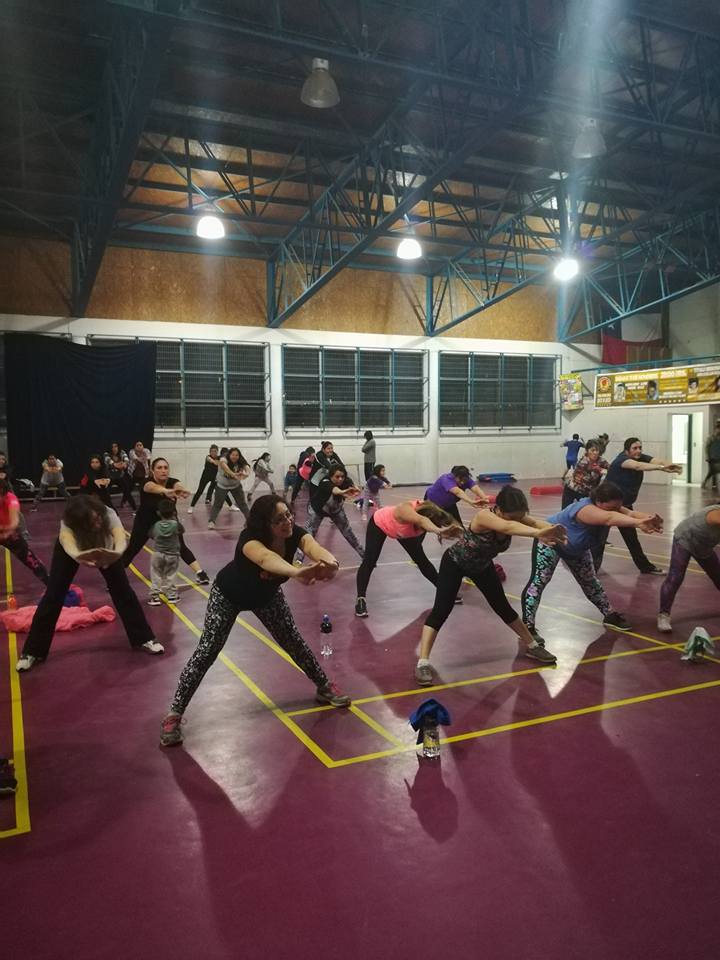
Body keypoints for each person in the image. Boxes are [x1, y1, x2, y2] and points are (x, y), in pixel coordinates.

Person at [159, 495, 352, 747]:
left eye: (288, 515)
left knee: (292, 640)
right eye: (279, 519)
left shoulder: (295, 533)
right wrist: (296, 572)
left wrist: (331, 563)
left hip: (266, 597)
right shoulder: (249, 540)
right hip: (228, 596)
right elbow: (265, 559)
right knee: (207, 650)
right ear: (264, 524)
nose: (287, 522)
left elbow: (314, 548)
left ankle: (323, 687)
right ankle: (174, 714)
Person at [414, 487, 567, 686]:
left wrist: (554, 530)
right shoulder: (484, 516)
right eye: (513, 517)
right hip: (455, 563)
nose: (517, 520)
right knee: (441, 610)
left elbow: (536, 523)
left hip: (482, 566)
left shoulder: (514, 516)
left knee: (502, 606)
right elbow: (508, 528)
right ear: (499, 509)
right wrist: (539, 534)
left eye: (519, 516)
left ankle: (532, 645)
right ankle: (423, 663)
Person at [16, 496, 163, 672]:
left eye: (98, 517)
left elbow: (120, 539)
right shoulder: (68, 524)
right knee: (53, 595)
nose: (98, 522)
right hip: (74, 550)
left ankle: (144, 638)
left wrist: (113, 555)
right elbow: (70, 547)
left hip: (106, 547)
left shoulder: (108, 514)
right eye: (93, 521)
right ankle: (32, 652)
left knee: (123, 591)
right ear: (80, 523)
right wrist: (82, 558)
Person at [520, 481, 663, 644]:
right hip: (551, 541)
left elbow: (630, 513)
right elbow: (609, 518)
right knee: (539, 582)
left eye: (618, 507)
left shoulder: (611, 508)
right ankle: (528, 627)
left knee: (590, 582)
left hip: (577, 548)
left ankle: (609, 615)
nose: (616, 510)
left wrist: (649, 519)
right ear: (598, 502)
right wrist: (638, 523)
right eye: (612, 507)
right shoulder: (585, 509)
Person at [355, 499, 461, 618]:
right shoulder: (405, 510)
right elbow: (422, 520)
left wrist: (462, 535)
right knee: (369, 561)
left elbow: (447, 520)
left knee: (422, 561)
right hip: (379, 523)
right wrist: (439, 531)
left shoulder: (430, 512)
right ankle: (360, 599)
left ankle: (444, 591)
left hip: (403, 532)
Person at [601, 437, 681, 574]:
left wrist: (671, 465)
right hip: (606, 505)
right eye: (635, 448)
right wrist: (662, 468)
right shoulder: (622, 460)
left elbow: (658, 461)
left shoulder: (639, 457)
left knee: (631, 539)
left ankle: (645, 567)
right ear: (627, 450)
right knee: (599, 539)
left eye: (640, 448)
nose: (638, 450)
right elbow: (638, 466)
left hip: (624, 506)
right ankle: (590, 569)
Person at [123, 457, 210, 584]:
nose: (163, 470)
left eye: (165, 467)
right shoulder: (147, 482)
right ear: (152, 471)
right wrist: (166, 491)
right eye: (159, 468)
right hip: (145, 522)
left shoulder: (172, 482)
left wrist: (180, 489)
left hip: (168, 521)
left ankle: (200, 573)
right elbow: (151, 487)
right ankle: (118, 577)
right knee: (133, 549)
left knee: (181, 546)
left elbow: (177, 485)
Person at [657, 504, 720, 632]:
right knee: (676, 577)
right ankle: (663, 615)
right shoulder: (715, 513)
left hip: (704, 547)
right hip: (685, 539)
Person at [299, 466, 364, 560]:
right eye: (337, 477)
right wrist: (342, 492)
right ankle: (298, 560)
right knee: (308, 534)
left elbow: (353, 486)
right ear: (331, 476)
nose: (340, 479)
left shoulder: (346, 481)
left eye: (342, 477)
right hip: (317, 510)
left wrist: (356, 489)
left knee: (348, 533)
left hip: (335, 510)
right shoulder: (325, 482)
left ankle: (365, 556)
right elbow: (334, 490)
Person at [0, 477, 48, 586]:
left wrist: (6, 533)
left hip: (10, 533)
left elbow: (14, 523)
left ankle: (50, 585)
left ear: (4, 495)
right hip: (4, 529)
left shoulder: (11, 499)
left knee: (30, 560)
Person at [148, 498, 183, 606]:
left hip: (158, 553)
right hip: (173, 555)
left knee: (156, 575)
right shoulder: (176, 525)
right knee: (171, 575)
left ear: (158, 513)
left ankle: (155, 597)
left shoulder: (156, 525)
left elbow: (151, 535)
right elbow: (181, 531)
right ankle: (172, 595)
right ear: (173, 512)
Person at [208, 447, 250, 528]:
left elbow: (246, 466)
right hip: (222, 486)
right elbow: (224, 466)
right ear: (229, 455)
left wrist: (247, 474)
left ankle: (250, 521)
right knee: (217, 504)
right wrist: (233, 474)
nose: (235, 457)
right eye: (233, 455)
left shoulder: (240, 460)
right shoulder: (224, 459)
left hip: (235, 485)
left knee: (242, 504)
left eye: (237, 455)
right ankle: (211, 521)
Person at [562, 440, 609, 508]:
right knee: (566, 509)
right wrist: (603, 470)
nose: (595, 453)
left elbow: (611, 468)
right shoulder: (584, 461)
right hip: (572, 488)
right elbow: (594, 469)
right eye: (592, 450)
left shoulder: (601, 461)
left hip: (587, 491)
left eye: (597, 450)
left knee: (589, 510)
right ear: (587, 451)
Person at [188, 444, 221, 511]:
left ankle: (230, 505)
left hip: (214, 477)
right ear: (210, 452)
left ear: (217, 452)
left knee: (219, 490)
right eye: (212, 451)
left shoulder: (219, 458)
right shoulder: (208, 457)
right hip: (205, 477)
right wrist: (216, 462)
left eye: (215, 451)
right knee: (199, 491)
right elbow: (212, 461)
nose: (213, 453)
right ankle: (191, 506)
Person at [104, 442, 136, 510]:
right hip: (110, 477)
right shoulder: (106, 454)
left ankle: (134, 508)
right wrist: (118, 465)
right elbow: (111, 462)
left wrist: (124, 464)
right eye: (112, 447)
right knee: (105, 492)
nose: (114, 448)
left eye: (116, 446)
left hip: (120, 477)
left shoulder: (122, 452)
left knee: (127, 491)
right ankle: (107, 507)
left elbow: (126, 461)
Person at [703, 423, 720, 492]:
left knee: (714, 471)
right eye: (718, 429)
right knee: (712, 471)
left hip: (718, 456)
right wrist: (707, 456)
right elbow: (707, 447)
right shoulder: (711, 437)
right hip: (712, 457)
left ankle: (714, 484)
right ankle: (705, 482)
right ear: (716, 429)